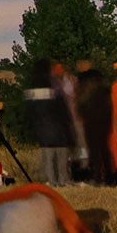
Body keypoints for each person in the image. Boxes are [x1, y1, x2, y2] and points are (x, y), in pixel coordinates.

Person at [23, 58, 75, 186]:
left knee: (48, 159)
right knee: (61, 158)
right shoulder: (54, 87)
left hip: (43, 130)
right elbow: (63, 110)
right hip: (58, 129)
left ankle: (52, 181)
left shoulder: (31, 89)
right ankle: (63, 180)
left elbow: (30, 112)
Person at [75, 58, 114, 185]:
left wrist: (80, 113)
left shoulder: (83, 82)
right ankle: (109, 175)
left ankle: (98, 176)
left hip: (90, 117)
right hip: (103, 117)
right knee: (104, 147)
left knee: (94, 149)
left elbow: (81, 100)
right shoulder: (102, 81)